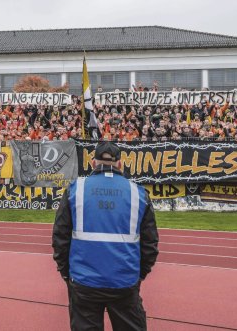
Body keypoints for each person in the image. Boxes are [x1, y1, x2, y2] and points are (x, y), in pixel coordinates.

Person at [52, 141, 159, 330]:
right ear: (120, 163)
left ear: (93, 163)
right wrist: (140, 274)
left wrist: (66, 273)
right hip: (124, 282)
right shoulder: (138, 193)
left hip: (84, 282)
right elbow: (150, 243)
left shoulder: (75, 190)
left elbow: (60, 237)